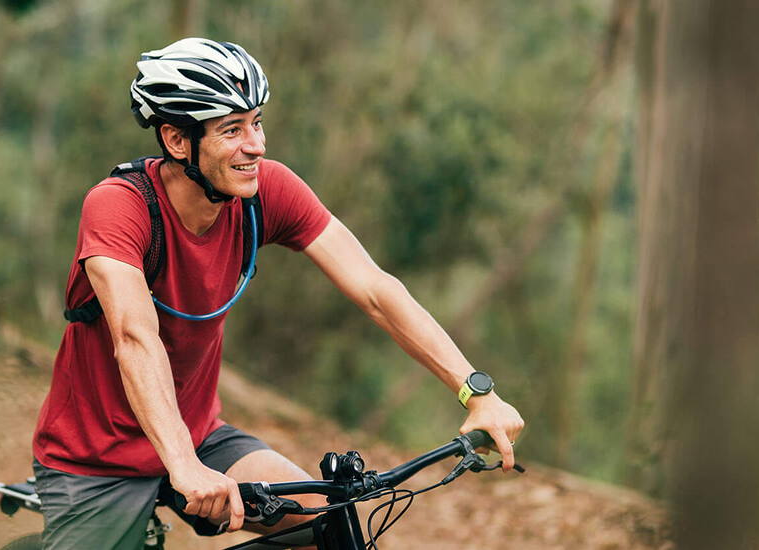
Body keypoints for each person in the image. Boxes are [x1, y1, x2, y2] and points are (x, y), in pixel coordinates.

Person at [30, 37, 525, 550]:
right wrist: (181, 465)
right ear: (177, 141)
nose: (256, 145)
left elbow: (375, 288)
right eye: (232, 130)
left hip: (201, 437)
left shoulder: (264, 192)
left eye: (256, 122)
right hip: (95, 459)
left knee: (324, 524)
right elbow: (135, 339)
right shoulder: (118, 208)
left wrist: (476, 392)